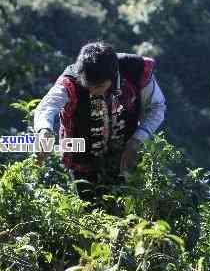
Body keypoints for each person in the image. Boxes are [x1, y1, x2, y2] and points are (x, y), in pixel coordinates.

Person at [34, 41, 166, 203]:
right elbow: (48, 105)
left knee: (126, 209)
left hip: (124, 151)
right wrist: (45, 130)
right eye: (89, 86)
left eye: (99, 86)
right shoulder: (70, 81)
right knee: (89, 209)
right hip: (80, 150)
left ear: (113, 76)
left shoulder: (134, 70)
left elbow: (158, 107)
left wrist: (137, 140)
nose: (93, 91)